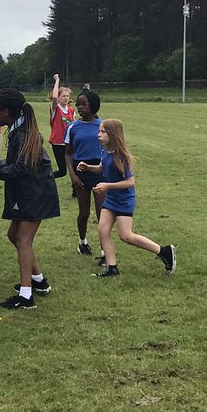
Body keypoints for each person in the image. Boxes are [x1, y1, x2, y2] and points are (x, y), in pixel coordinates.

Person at [0, 88, 60, 310]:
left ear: (7, 112)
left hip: (35, 194)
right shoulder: (17, 130)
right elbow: (13, 165)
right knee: (14, 235)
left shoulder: (23, 134)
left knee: (23, 240)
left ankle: (26, 297)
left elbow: (19, 169)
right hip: (29, 192)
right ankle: (38, 280)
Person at [76, 119, 175, 277]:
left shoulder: (121, 156)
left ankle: (164, 251)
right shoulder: (105, 150)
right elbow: (102, 167)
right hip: (111, 199)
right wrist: (89, 168)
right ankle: (111, 267)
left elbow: (130, 182)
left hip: (123, 200)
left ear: (113, 135)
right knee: (103, 229)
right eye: (99, 131)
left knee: (126, 235)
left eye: (103, 132)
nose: (98, 135)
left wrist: (108, 186)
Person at [66, 90, 104, 260]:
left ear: (94, 106)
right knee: (84, 213)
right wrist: (72, 176)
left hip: (99, 171)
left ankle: (105, 251)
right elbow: (67, 153)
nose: (80, 107)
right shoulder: (72, 126)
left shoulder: (103, 125)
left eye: (84, 104)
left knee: (101, 212)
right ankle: (82, 242)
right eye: (78, 104)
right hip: (80, 171)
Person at [48, 74, 75, 178]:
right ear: (58, 98)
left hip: (69, 143)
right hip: (58, 143)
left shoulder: (71, 110)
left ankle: (76, 191)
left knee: (74, 167)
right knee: (62, 171)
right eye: (63, 96)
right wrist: (57, 80)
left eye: (67, 96)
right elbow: (54, 97)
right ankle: (45, 179)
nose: (66, 98)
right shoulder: (55, 108)